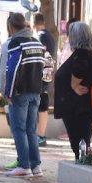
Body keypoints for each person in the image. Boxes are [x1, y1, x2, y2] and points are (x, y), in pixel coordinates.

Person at [0, 12, 46, 177]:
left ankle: (24, 166)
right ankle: (36, 166)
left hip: (20, 92)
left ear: (11, 27)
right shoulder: (37, 42)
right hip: (36, 91)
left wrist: (8, 91)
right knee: (31, 130)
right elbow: (47, 67)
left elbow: (12, 69)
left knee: (19, 129)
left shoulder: (15, 43)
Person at [53, 21, 92, 160]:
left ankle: (82, 168)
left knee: (79, 142)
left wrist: (73, 86)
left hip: (77, 107)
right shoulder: (90, 54)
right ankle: (82, 165)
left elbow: (79, 71)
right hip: (82, 106)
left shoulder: (81, 55)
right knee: (82, 141)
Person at [32, 12, 57, 147]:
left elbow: (40, 54)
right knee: (43, 106)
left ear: (34, 23)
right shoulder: (51, 37)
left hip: (40, 75)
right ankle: (41, 135)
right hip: (48, 74)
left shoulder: (40, 37)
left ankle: (40, 136)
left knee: (40, 107)